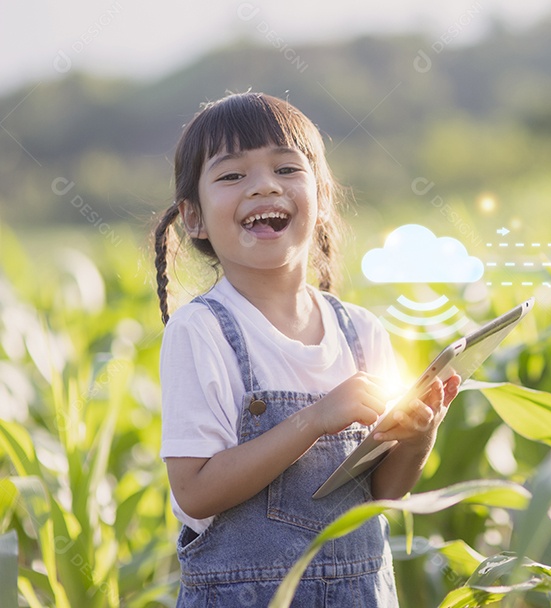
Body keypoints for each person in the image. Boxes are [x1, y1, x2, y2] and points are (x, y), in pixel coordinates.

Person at [154, 91, 459, 606]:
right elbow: (195, 490)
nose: (264, 186)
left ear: (321, 200)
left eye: (286, 169)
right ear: (194, 218)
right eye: (232, 176)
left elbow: (382, 494)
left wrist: (415, 437)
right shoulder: (201, 332)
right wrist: (315, 419)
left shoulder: (362, 333)